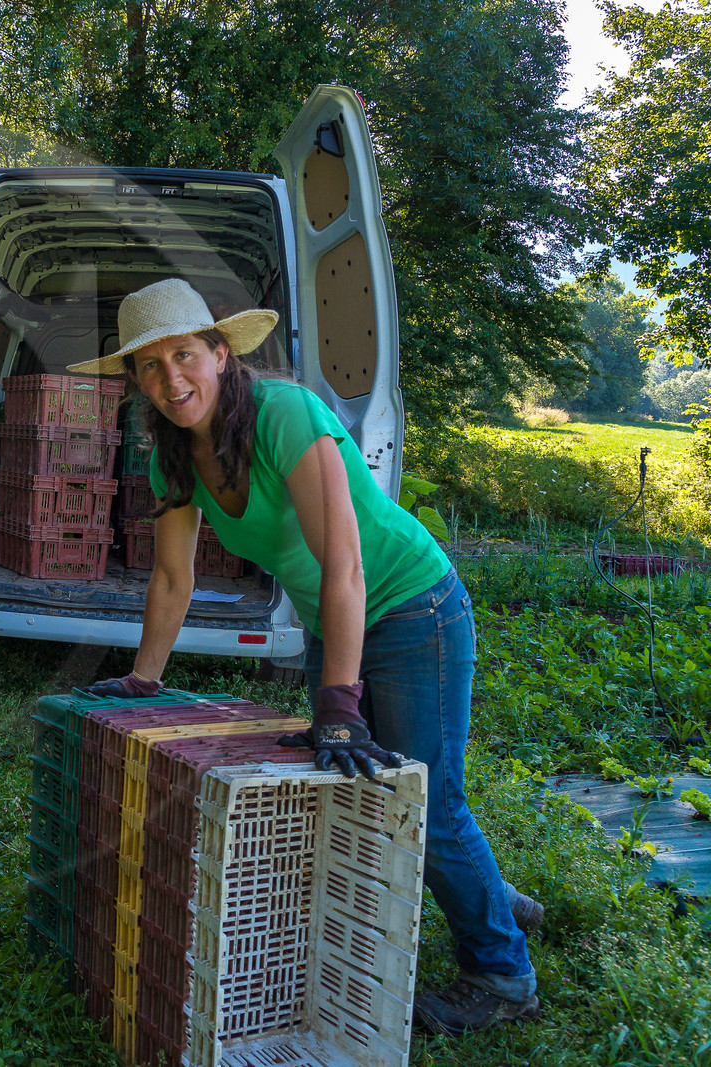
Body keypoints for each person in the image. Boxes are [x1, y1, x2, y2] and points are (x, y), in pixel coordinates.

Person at [70, 278, 541, 1036]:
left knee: (425, 795)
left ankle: (503, 969)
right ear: (134, 380)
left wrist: (339, 703)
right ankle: (495, 895)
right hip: (338, 617)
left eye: (184, 355)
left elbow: (346, 563)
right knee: (365, 787)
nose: (171, 379)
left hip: (413, 605)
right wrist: (145, 679)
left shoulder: (286, 414)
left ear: (221, 354)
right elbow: (170, 576)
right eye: (149, 367)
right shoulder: (174, 457)